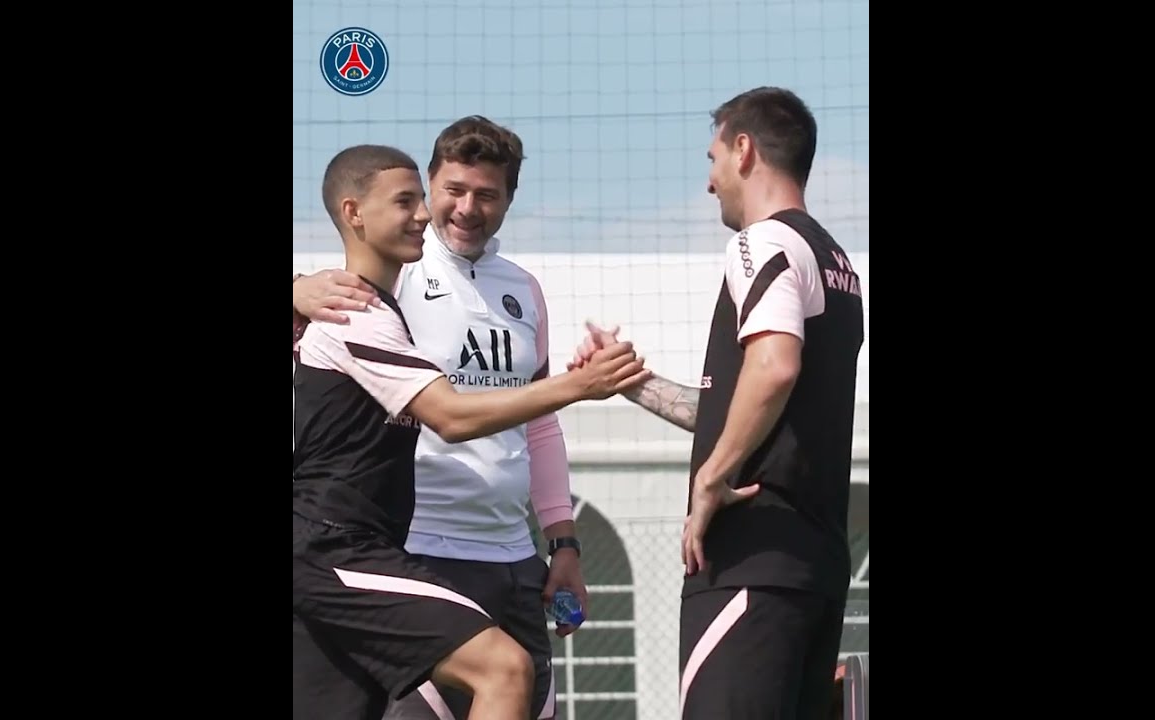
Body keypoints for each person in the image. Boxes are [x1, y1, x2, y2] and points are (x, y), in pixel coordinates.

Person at [292, 143, 650, 720]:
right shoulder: (355, 305)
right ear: (356, 211)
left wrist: (562, 543)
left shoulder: (489, 294)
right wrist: (579, 385)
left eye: (487, 194)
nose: (447, 211)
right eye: (432, 195)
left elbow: (537, 425)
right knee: (502, 670)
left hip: (482, 553)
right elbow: (451, 415)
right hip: (364, 549)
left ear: (509, 200)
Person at [569, 87, 865, 719]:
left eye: (712, 160)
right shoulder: (837, 262)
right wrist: (632, 382)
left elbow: (775, 366)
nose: (709, 183)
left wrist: (712, 476)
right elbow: (752, 409)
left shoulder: (762, 242)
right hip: (812, 567)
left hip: (749, 559)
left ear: (744, 149)